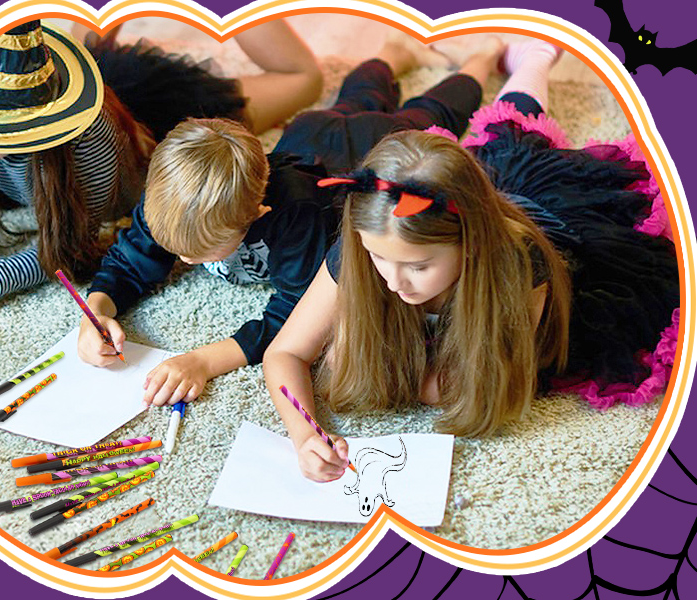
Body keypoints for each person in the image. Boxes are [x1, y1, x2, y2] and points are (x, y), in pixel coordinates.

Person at [261, 40, 680, 482]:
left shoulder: (520, 267)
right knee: (497, 148)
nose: (393, 281)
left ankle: (535, 56)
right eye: (377, 257)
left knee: (517, 134)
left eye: (418, 267)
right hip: (464, 202)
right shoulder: (371, 244)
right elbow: (284, 353)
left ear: (471, 246)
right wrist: (304, 435)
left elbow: (477, 392)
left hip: (559, 222)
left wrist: (376, 361)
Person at [0, 19, 322, 349]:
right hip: (79, 82)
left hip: (167, 123)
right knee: (86, 45)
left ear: (33, 122)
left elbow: (75, 240)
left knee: (304, 80)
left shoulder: (89, 144)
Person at [77, 36, 508, 407]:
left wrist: (203, 361)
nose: (183, 258)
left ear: (257, 215)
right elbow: (129, 260)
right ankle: (394, 54)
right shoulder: (172, 197)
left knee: (433, 112)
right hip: (309, 130)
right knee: (355, 97)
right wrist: (96, 310)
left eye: (200, 252)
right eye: (174, 247)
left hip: (367, 146)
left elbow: (294, 317)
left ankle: (481, 60)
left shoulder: (299, 223)